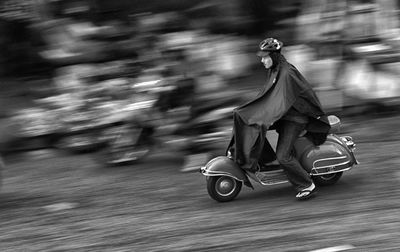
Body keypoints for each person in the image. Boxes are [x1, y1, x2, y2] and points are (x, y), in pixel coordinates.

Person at [227, 38, 331, 200]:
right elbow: (267, 96)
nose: (262, 60)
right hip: (285, 115)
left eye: (264, 57)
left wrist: (261, 114)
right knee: (252, 124)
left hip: (295, 119)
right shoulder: (276, 70)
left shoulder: (286, 74)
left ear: (274, 56)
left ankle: (306, 185)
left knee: (283, 156)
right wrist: (248, 111)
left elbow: (278, 102)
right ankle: (265, 160)